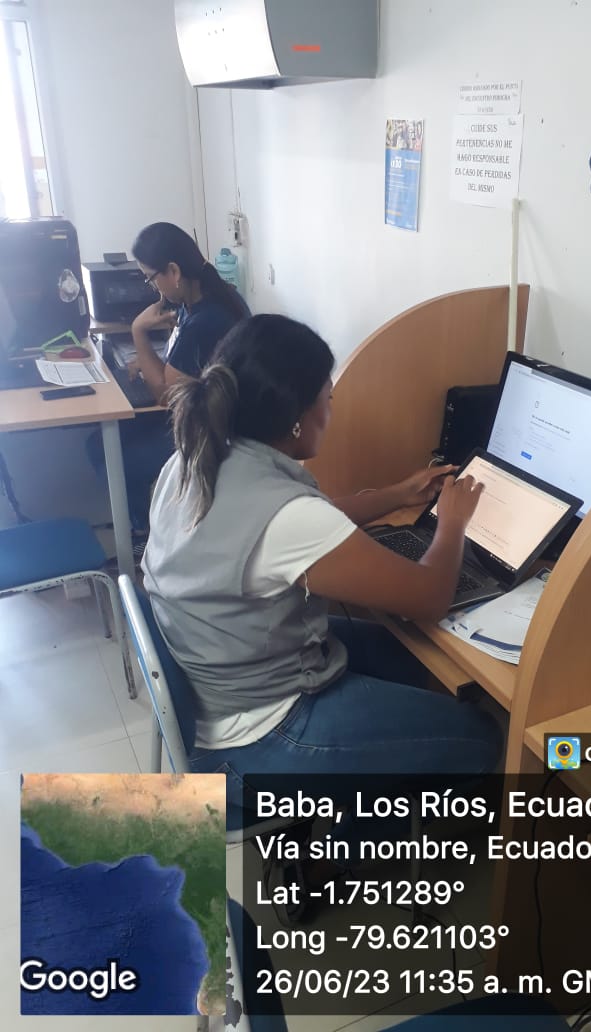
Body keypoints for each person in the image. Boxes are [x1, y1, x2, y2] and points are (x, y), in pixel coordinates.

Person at [141, 314, 503, 887]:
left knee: (406, 658)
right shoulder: (285, 514)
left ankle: (365, 799)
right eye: (328, 400)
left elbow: (306, 523)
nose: (331, 411)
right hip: (256, 738)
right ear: (296, 418)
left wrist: (397, 494)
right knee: (483, 737)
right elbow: (430, 596)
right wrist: (454, 522)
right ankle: (339, 856)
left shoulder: (199, 455)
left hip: (220, 686)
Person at [89, 222, 249, 544]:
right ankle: (144, 528)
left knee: (115, 459)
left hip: (206, 432)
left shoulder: (205, 320)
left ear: (173, 271)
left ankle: (145, 537)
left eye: (150, 278)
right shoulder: (205, 301)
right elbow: (183, 365)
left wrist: (138, 332)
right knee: (97, 444)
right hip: (202, 416)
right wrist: (150, 361)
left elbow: (165, 395)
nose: (153, 289)